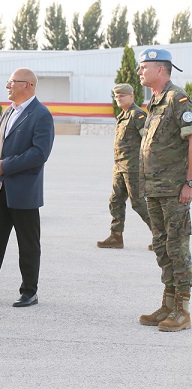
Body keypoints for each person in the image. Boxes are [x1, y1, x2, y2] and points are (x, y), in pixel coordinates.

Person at [0, 67, 55, 307]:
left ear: (28, 85)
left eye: (12, 82)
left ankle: (29, 291)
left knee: (28, 244)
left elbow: (39, 153)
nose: (7, 86)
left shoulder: (41, 114)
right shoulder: (8, 112)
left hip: (24, 191)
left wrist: (7, 165)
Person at [137, 48, 191, 332]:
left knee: (177, 246)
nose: (139, 72)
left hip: (175, 190)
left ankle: (183, 309)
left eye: (143, 67)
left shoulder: (177, 99)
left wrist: (189, 183)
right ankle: (168, 303)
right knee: (161, 246)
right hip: (155, 189)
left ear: (160, 69)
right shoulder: (155, 101)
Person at [97, 83, 152, 250]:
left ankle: (161, 236)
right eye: (116, 96)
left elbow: (148, 142)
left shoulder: (138, 115)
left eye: (122, 96)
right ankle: (116, 237)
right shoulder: (122, 115)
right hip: (120, 166)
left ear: (132, 96)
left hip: (133, 167)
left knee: (138, 203)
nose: (118, 99)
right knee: (115, 201)